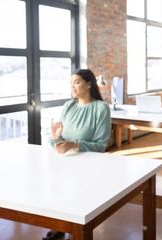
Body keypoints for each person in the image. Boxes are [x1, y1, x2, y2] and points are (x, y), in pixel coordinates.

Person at [43, 68, 111, 240]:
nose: (72, 87)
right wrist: (55, 137)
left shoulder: (101, 108)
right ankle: (59, 228)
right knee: (56, 192)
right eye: (71, 83)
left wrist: (74, 145)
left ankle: (74, 232)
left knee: (77, 202)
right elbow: (57, 142)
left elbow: (101, 145)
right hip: (64, 162)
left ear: (89, 84)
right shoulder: (68, 106)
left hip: (88, 166)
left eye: (77, 82)